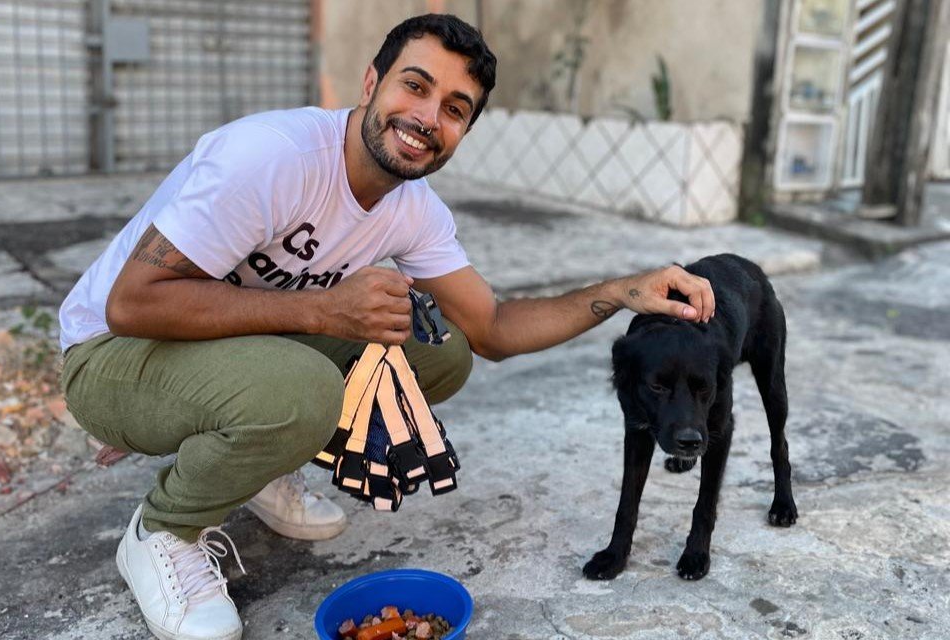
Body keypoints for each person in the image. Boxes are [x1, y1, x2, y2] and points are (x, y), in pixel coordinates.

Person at [58, 13, 714, 640]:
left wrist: (626, 291)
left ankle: (258, 463)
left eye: (455, 109)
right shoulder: (269, 158)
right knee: (302, 389)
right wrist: (321, 310)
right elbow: (133, 304)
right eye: (415, 85)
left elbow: (492, 329)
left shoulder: (411, 208)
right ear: (372, 83)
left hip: (219, 346)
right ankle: (163, 532)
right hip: (114, 354)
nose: (428, 118)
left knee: (438, 351)